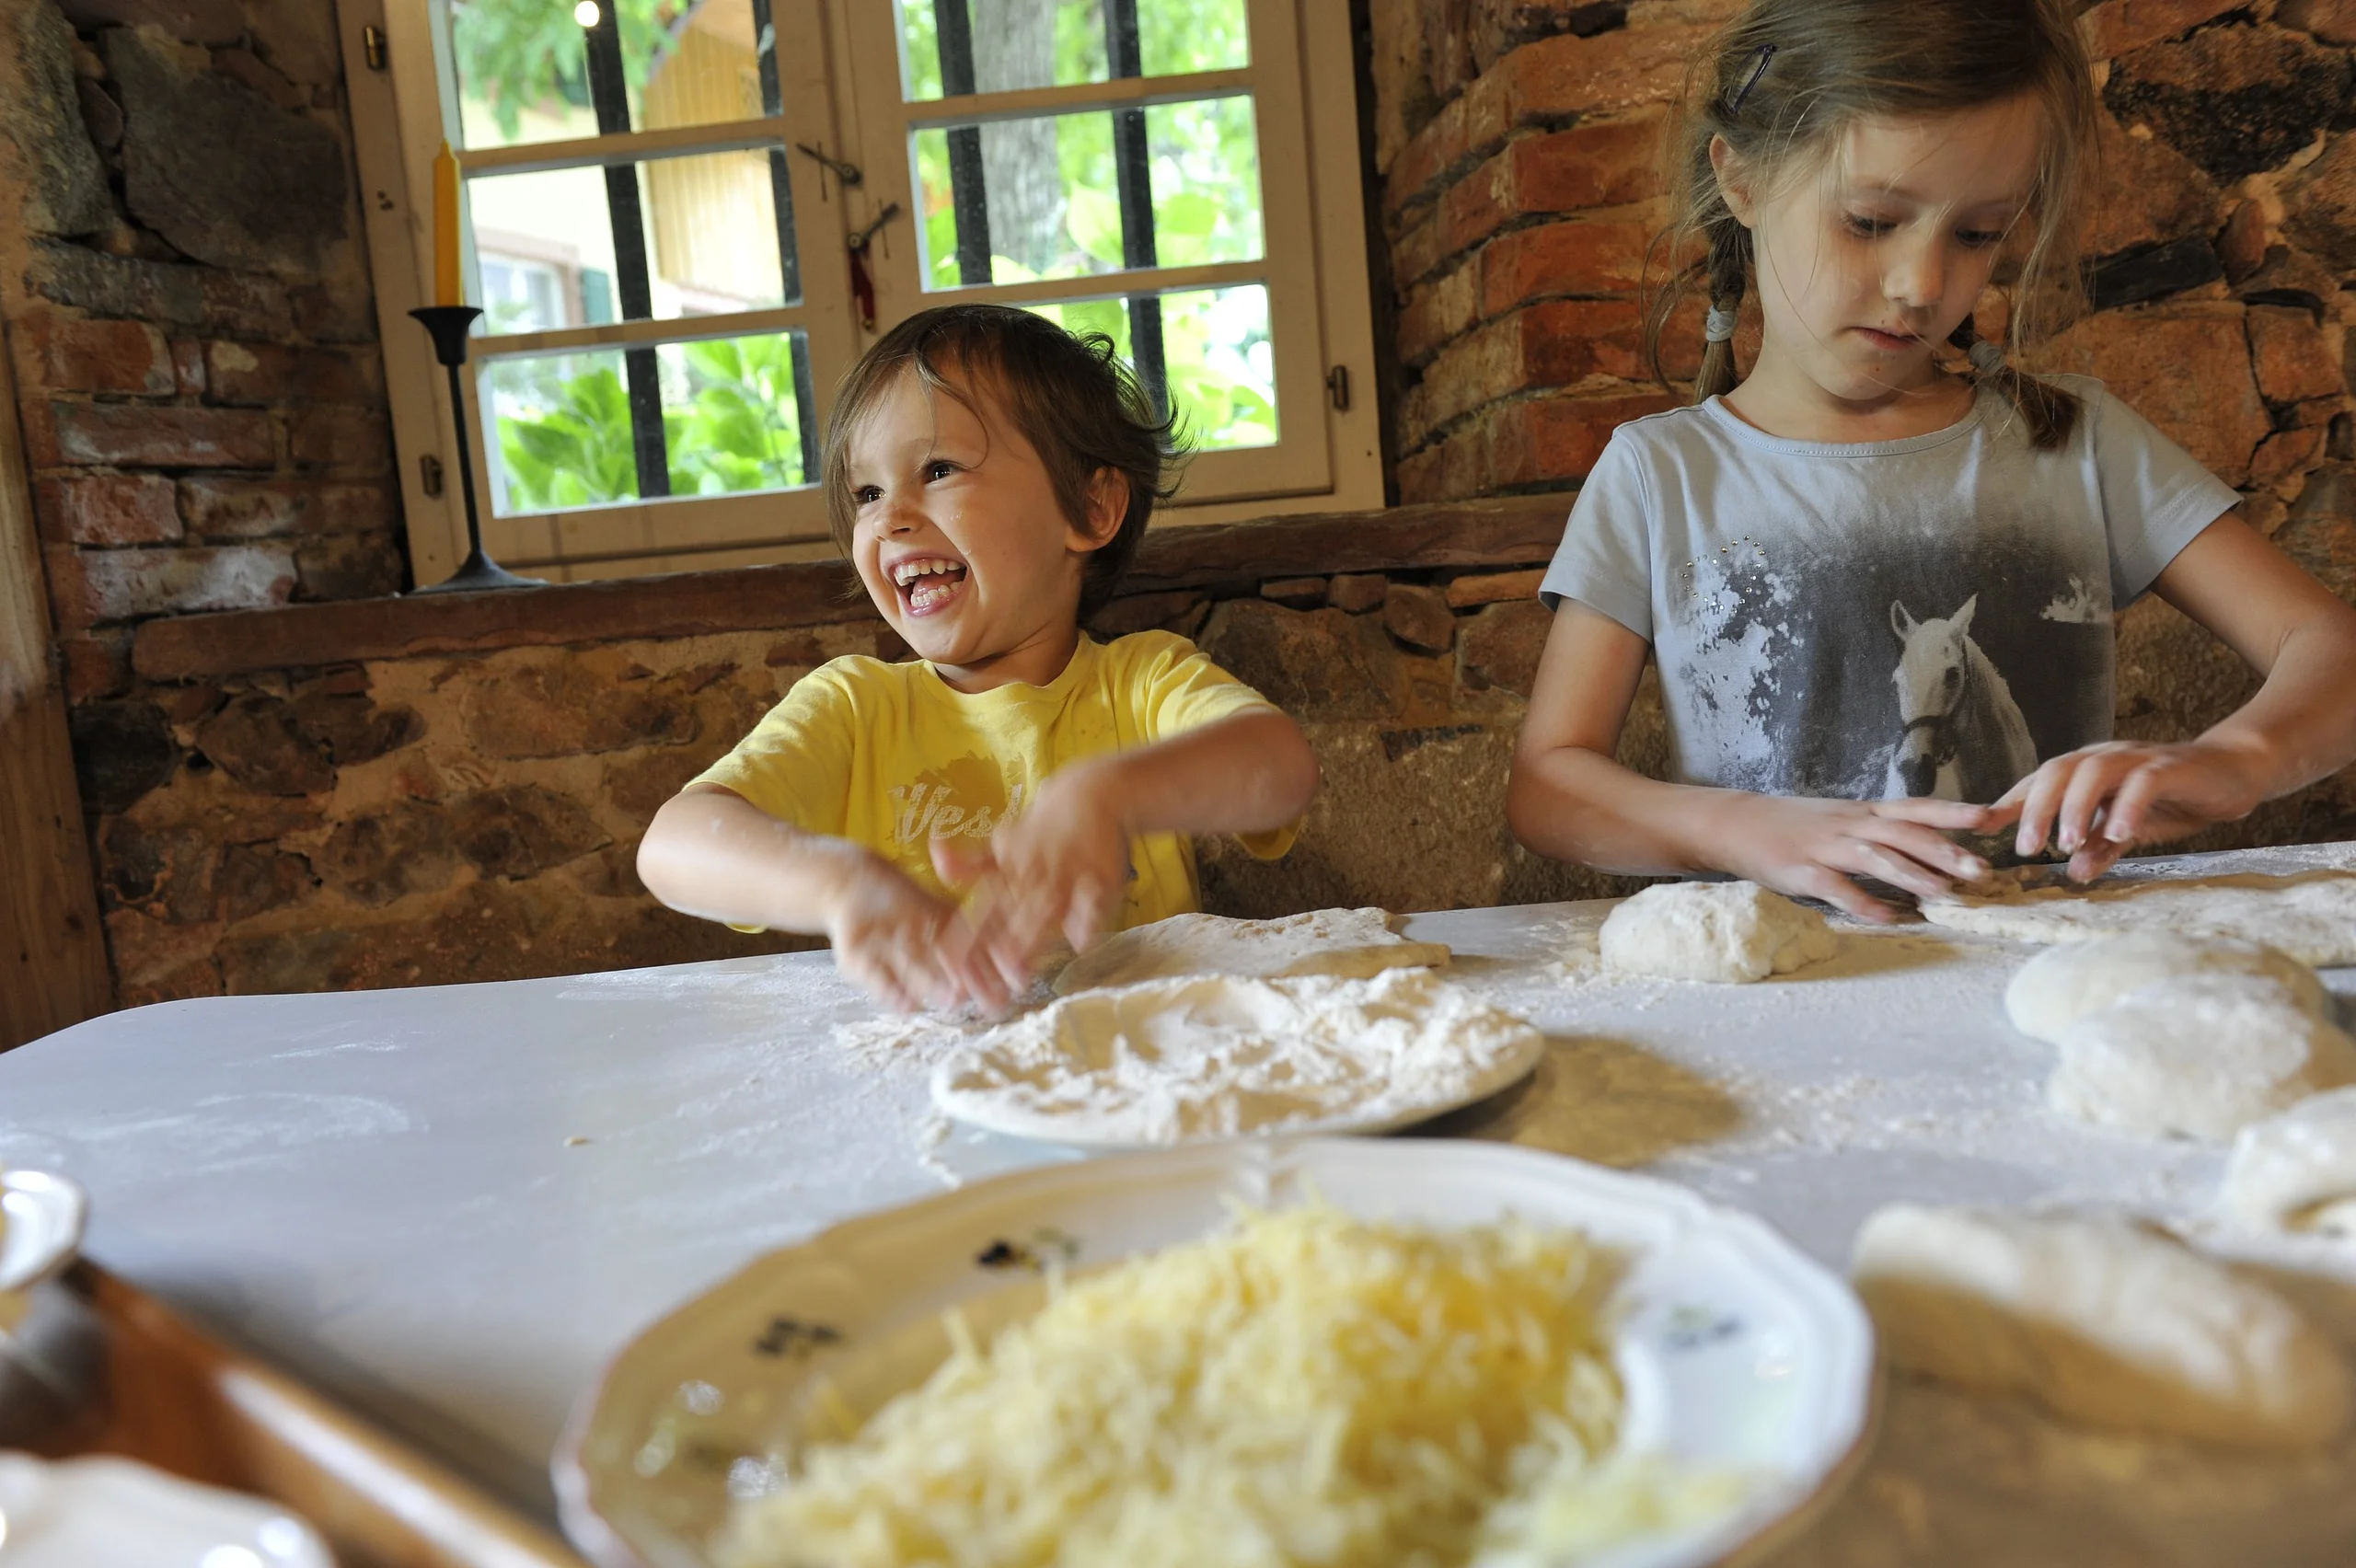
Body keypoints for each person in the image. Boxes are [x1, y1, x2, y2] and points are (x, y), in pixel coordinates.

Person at [1507, 0, 2356, 921]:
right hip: (1786, 1004)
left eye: (1977, 234)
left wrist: (2239, 761)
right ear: (1741, 180)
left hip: (2039, 978)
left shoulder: (2076, 442)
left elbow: (2331, 652)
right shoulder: (1658, 476)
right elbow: (1550, 786)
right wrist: (1739, 828)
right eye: (1870, 220)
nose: (1921, 284)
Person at [639, 306, 1318, 1009]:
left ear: (1090, 507)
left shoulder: (1141, 683)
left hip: (1136, 1066)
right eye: (867, 492)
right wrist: (837, 883)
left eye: (937, 469)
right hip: (923, 1090)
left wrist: (1108, 796)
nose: (889, 517)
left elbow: (1280, 765)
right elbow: (672, 845)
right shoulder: (853, 707)